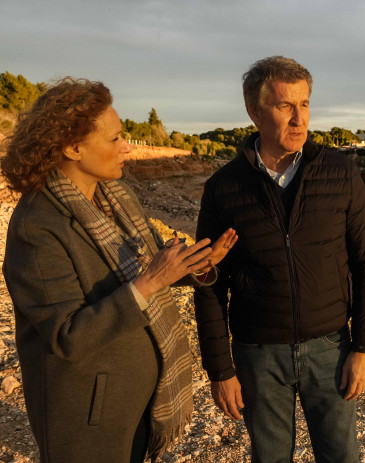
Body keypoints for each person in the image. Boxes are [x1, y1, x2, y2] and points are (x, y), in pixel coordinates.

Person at [1, 77, 237, 463]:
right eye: (114, 139)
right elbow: (67, 336)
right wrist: (154, 279)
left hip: (139, 401)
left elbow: (145, 270)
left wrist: (194, 265)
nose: (125, 147)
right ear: (72, 147)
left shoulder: (116, 197)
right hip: (89, 418)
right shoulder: (36, 227)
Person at [194, 56, 365, 462]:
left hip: (330, 349)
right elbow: (208, 282)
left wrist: (364, 348)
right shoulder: (223, 189)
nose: (300, 119)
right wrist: (220, 369)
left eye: (306, 104)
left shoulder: (340, 173)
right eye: (285, 106)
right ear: (254, 111)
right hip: (258, 355)